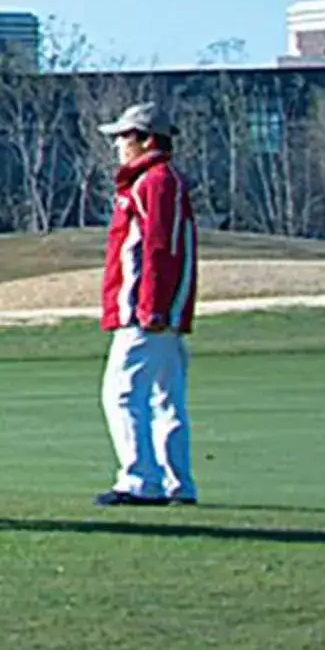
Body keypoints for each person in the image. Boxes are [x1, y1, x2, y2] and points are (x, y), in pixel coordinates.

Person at [94, 100, 199, 507]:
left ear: (147, 140)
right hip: (157, 311)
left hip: (146, 312)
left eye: (125, 137)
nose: (119, 145)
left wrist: (152, 307)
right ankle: (177, 482)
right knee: (164, 396)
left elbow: (159, 247)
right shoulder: (158, 181)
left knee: (123, 393)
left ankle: (140, 480)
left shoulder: (154, 181)